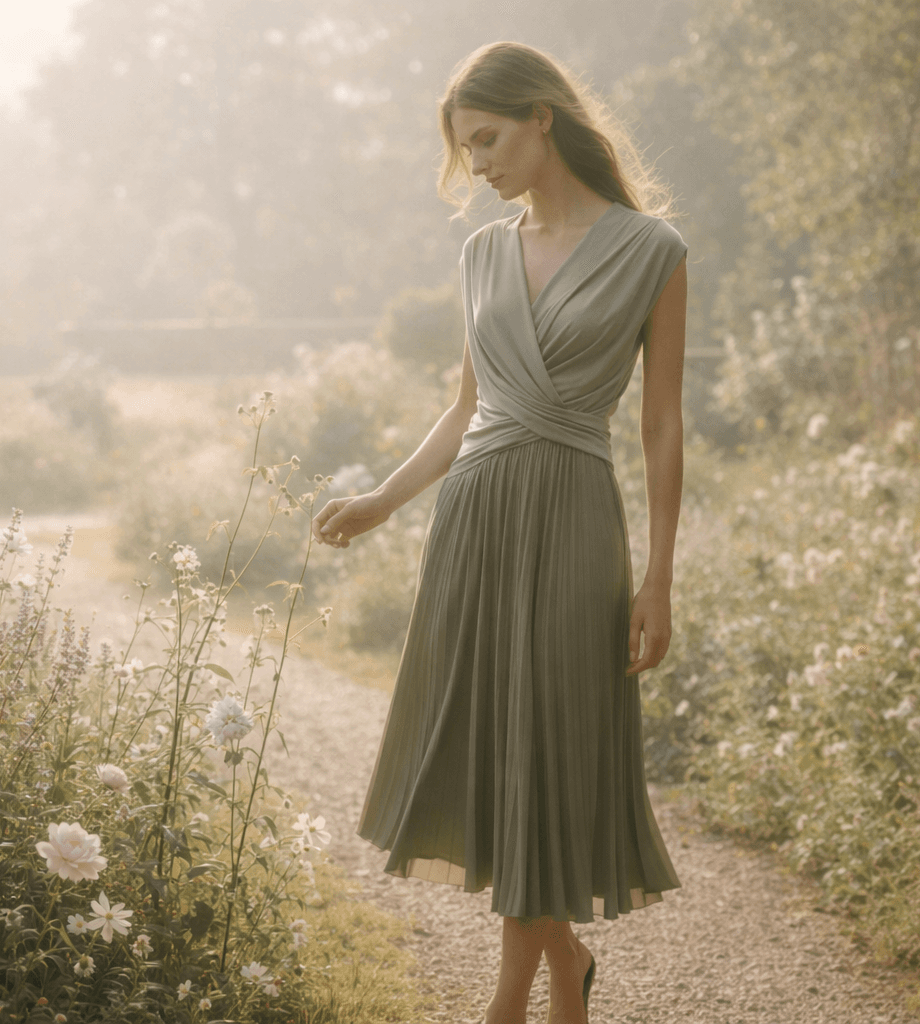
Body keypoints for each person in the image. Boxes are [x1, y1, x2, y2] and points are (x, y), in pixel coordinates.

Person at [311, 40, 688, 1024]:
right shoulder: (480, 255)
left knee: (551, 752)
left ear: (541, 119)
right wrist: (381, 501)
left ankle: (512, 997)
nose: (479, 166)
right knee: (500, 758)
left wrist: (660, 579)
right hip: (473, 517)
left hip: (573, 520)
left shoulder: (653, 252)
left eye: (487, 140)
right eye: (466, 150)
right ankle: (564, 969)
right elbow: (464, 409)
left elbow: (660, 423)